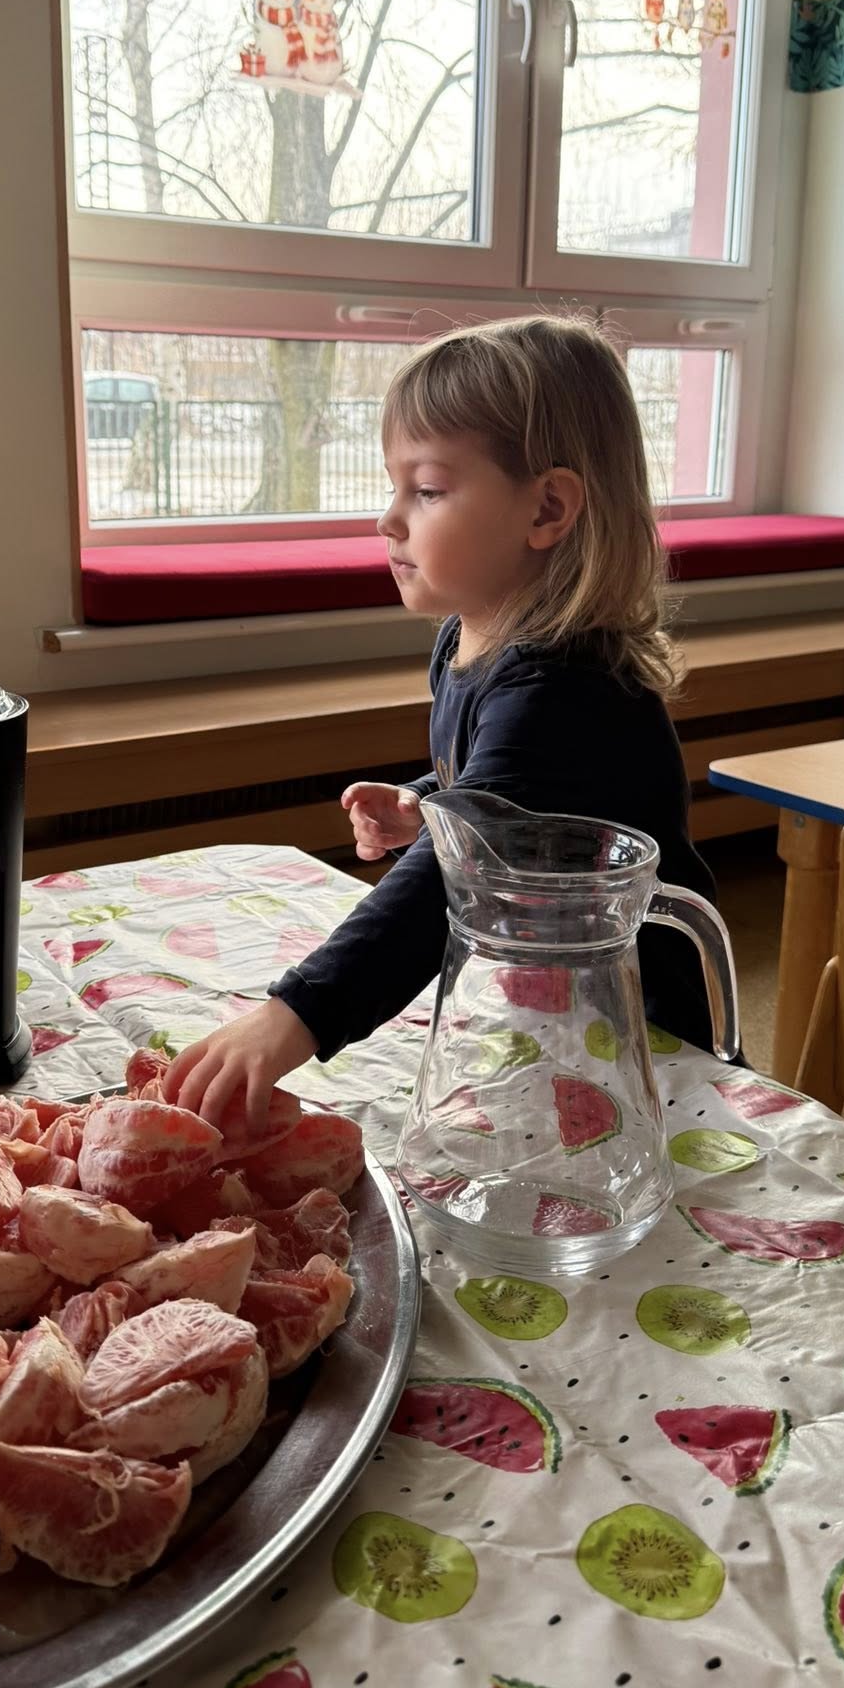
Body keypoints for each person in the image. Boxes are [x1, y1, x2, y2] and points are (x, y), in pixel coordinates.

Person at [162, 313, 717, 1129]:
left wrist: (294, 1016)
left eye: (425, 490)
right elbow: (509, 793)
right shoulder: (469, 635)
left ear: (547, 508)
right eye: (394, 487)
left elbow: (446, 885)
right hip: (542, 998)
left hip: (639, 1035)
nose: (388, 519)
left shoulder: (564, 689)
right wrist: (428, 801)